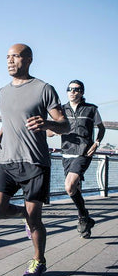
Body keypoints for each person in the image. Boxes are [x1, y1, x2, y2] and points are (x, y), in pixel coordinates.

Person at [0, 43, 70, 276]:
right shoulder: (3, 91)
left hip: (35, 162)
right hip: (7, 160)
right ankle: (26, 215)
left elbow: (65, 124)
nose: (10, 61)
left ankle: (38, 260)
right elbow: (10, 120)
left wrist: (47, 124)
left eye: (16, 56)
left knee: (36, 220)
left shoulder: (44, 89)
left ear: (29, 59)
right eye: (7, 57)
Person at [47, 80, 105, 238]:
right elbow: (49, 132)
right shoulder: (60, 110)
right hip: (66, 153)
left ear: (82, 92)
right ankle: (85, 220)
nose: (73, 92)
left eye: (77, 89)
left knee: (69, 185)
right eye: (70, 89)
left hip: (83, 152)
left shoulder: (91, 109)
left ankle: (82, 216)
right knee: (75, 189)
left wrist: (97, 142)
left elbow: (101, 128)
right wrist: (55, 130)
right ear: (67, 92)